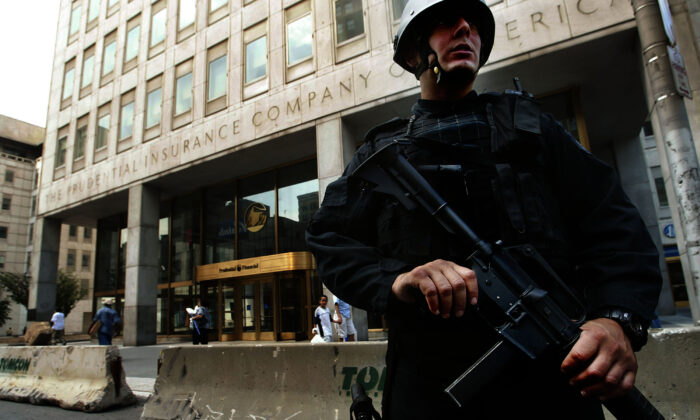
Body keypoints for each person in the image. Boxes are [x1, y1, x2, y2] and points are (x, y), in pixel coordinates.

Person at [305, 0, 662, 418]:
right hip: (430, 390)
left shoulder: (530, 129)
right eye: (445, 22)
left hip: (552, 382)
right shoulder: (382, 153)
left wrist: (615, 320)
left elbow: (614, 227)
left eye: (472, 24)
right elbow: (329, 240)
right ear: (415, 53)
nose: (464, 29)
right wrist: (398, 281)